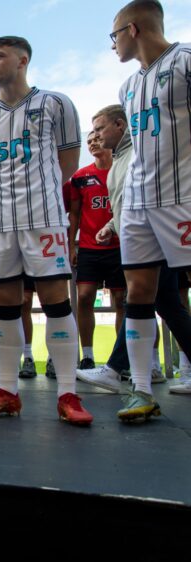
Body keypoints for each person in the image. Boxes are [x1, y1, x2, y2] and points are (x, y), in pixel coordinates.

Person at [0, 37, 93, 426]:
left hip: (44, 218)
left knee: (56, 301)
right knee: (5, 306)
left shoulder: (56, 104)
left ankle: (68, 394)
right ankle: (8, 391)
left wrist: (35, 195)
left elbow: (67, 163)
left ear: (22, 60)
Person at [108, 1, 191, 420]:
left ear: (134, 29)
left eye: (114, 35)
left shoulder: (185, 61)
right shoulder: (127, 87)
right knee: (139, 292)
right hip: (139, 202)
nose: (113, 44)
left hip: (184, 195)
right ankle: (141, 389)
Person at [77, 105, 191, 399]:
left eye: (101, 128)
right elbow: (128, 199)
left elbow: (146, 195)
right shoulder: (122, 159)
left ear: (120, 125)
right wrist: (112, 225)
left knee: (137, 299)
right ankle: (115, 370)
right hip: (143, 238)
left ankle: (114, 370)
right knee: (168, 308)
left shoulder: (139, 154)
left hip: (152, 239)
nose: (97, 134)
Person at [66, 130, 125, 369]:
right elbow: (75, 213)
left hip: (119, 246)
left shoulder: (123, 169)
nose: (93, 143)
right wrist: (71, 244)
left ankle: (120, 360)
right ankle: (87, 355)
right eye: (89, 141)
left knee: (121, 300)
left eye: (97, 138)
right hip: (89, 247)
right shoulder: (81, 177)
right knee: (84, 297)